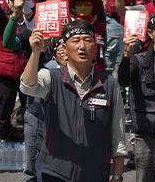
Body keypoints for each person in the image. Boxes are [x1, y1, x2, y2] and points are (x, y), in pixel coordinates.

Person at [21, 20, 126, 181]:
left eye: (88, 40)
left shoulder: (110, 85)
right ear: (64, 49)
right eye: (76, 41)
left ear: (95, 47)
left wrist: (117, 176)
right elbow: (27, 87)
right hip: (55, 174)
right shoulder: (51, 77)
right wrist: (35, 53)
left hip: (95, 174)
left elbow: (118, 136)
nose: (82, 46)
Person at [119, 13, 155, 182]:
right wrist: (126, 55)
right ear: (150, 33)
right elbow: (123, 80)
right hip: (146, 134)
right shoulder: (138, 60)